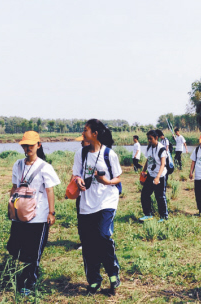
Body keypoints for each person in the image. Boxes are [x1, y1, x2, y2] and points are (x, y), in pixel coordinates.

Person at [7, 131, 61, 296]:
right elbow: (14, 187)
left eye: (31, 144)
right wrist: (11, 207)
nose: (28, 148)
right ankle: (21, 275)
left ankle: (28, 284)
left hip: (38, 218)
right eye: (25, 145)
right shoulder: (18, 165)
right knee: (14, 248)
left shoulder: (45, 167)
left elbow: (50, 191)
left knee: (33, 252)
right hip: (19, 217)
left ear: (38, 145)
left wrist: (51, 213)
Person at [73, 119, 122, 294]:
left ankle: (113, 272)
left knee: (102, 236)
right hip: (86, 203)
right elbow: (76, 174)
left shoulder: (109, 154)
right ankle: (94, 279)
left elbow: (118, 178)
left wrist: (106, 181)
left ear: (94, 133)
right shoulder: (81, 153)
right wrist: (78, 180)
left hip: (106, 201)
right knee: (88, 243)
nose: (83, 132)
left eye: (85, 130)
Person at [139, 130, 169, 222]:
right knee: (145, 194)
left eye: (150, 138)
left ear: (156, 138)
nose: (149, 140)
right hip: (151, 175)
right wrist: (143, 171)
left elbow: (163, 164)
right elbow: (148, 160)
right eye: (148, 138)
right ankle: (148, 214)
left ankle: (164, 216)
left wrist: (157, 177)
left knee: (159, 196)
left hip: (160, 175)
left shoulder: (161, 149)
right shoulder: (149, 148)